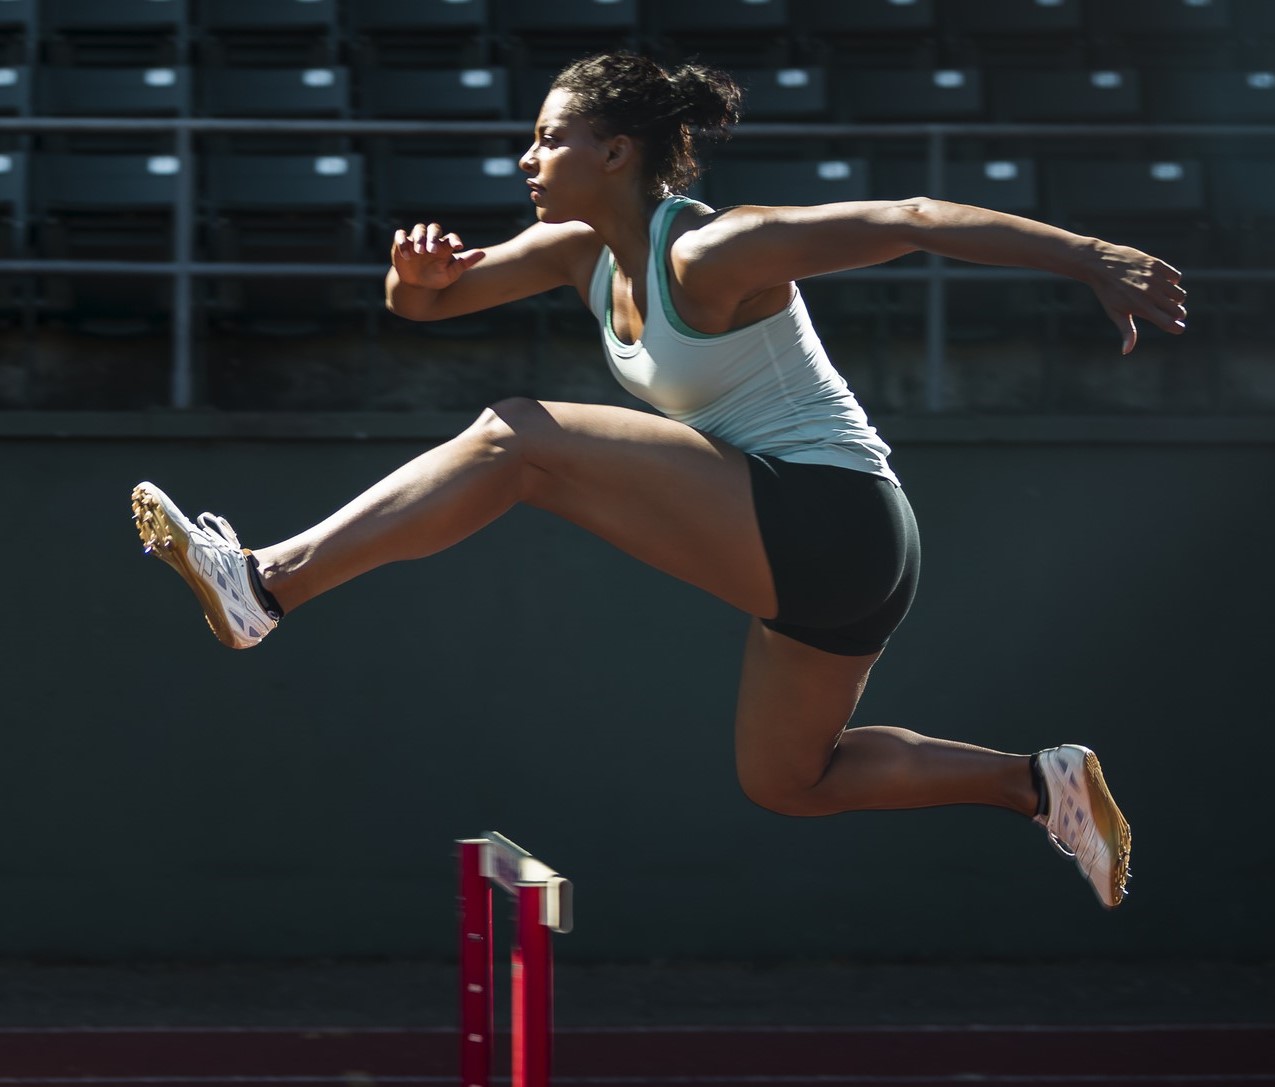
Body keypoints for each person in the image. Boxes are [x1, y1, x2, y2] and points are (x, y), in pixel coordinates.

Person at [132, 52, 1186, 910]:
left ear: (617, 149)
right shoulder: (574, 253)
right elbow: (426, 311)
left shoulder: (721, 251)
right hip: (830, 555)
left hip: (833, 517)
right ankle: (1035, 782)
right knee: (789, 779)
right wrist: (413, 278)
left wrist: (1092, 253)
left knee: (515, 439)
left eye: (549, 137)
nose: (526, 156)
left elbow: (911, 214)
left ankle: (266, 582)